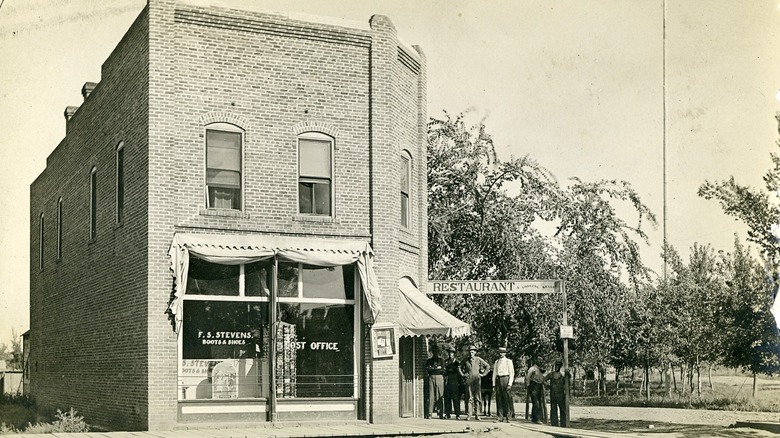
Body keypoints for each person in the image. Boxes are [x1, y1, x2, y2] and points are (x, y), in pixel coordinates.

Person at [460, 345, 490, 421]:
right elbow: (459, 367)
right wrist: (463, 374)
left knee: (477, 397)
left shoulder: (478, 359)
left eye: (472, 352)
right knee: (469, 397)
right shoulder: (466, 360)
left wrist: (483, 374)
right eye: (470, 352)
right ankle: (469, 414)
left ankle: (478, 414)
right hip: (469, 379)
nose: (471, 353)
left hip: (477, 379)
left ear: (475, 352)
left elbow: (487, 366)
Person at [492, 346, 515, 423]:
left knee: (507, 398)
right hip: (498, 379)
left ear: (505, 353)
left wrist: (510, 384)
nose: (501, 354)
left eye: (502, 352)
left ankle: (508, 416)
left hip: (506, 379)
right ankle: (499, 416)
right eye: (500, 352)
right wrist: (494, 384)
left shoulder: (509, 361)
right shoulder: (497, 362)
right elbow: (494, 373)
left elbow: (512, 373)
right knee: (499, 398)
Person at [544, 360, 570, 427]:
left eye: (558, 365)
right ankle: (554, 424)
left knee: (562, 409)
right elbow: (544, 380)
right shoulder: (551, 374)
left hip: (561, 394)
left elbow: (568, 382)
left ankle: (563, 424)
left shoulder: (563, 375)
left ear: (560, 366)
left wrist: (568, 374)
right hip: (553, 394)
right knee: (553, 409)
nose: (556, 367)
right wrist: (548, 386)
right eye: (556, 365)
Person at [425, 345, 446, 419]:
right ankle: (430, 413)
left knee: (440, 395)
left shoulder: (441, 360)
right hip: (432, 377)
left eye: (437, 352)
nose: (436, 353)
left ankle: (440, 413)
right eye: (434, 352)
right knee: (431, 396)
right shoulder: (429, 361)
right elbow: (428, 369)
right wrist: (436, 368)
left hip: (440, 377)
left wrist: (434, 368)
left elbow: (443, 370)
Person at [443, 346, 462, 419]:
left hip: (455, 382)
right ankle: (448, 413)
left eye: (452, 353)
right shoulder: (446, 362)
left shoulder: (457, 362)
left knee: (456, 399)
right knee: (447, 399)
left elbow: (459, 373)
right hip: (447, 382)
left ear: (454, 354)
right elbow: (444, 371)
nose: (450, 354)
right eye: (449, 353)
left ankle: (457, 414)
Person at [525, 358, 544, 424]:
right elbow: (528, 377)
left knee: (538, 402)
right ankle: (536, 419)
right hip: (533, 386)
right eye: (539, 361)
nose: (540, 362)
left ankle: (536, 418)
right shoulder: (532, 369)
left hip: (539, 386)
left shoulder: (540, 369)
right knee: (535, 402)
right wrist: (528, 385)